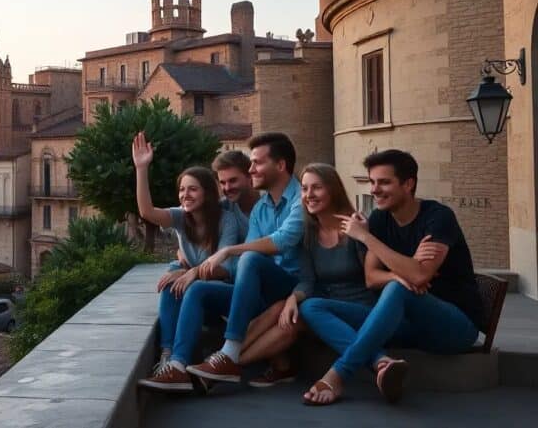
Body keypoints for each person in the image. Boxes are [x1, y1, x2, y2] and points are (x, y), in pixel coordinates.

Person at [299, 150, 483, 405]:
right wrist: (402, 272)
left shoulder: (438, 217)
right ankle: (382, 364)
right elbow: (371, 278)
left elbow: (419, 275)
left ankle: (337, 375)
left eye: (384, 182)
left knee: (398, 289)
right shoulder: (380, 219)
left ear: (408, 184)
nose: (375, 190)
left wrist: (365, 238)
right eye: (372, 182)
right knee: (311, 306)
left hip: (453, 325)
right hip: (405, 323)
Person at [233, 163, 378, 389]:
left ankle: (233, 363)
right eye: (304, 189)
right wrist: (293, 298)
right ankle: (228, 360)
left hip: (359, 309)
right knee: (282, 309)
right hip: (325, 306)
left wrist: (365, 236)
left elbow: (373, 277)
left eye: (317, 188)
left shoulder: (356, 227)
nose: (309, 195)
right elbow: (308, 280)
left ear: (333, 190)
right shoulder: (308, 234)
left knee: (300, 315)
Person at [189, 132, 304, 384]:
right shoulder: (261, 209)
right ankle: (178, 363)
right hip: (268, 292)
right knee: (199, 290)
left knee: (249, 259)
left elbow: (283, 241)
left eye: (257, 163)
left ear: (281, 165)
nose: (251, 169)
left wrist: (229, 250)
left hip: (297, 286)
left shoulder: (302, 198)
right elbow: (248, 256)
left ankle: (227, 355)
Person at [131, 132, 242, 392]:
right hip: (197, 292)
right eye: (182, 189)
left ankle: (179, 364)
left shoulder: (226, 221)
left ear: (207, 192)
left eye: (192, 189)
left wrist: (191, 272)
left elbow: (225, 270)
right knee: (172, 279)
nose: (185, 195)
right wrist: (141, 168)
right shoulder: (182, 217)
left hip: (226, 294)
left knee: (189, 282)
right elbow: (147, 212)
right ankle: (169, 357)